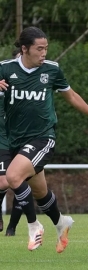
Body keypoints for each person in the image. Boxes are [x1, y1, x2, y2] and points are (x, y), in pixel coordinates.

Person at [0, 26, 88, 252]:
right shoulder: (5, 69)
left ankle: (34, 226)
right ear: (24, 49)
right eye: (39, 48)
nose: (44, 53)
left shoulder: (52, 70)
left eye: (46, 48)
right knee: (40, 193)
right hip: (17, 141)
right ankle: (61, 223)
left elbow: (71, 96)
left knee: (13, 176)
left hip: (43, 138)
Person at [0, 48, 24, 236]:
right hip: (4, 139)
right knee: (3, 182)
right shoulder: (3, 82)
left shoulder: (34, 86)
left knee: (22, 183)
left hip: (27, 138)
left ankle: (12, 228)